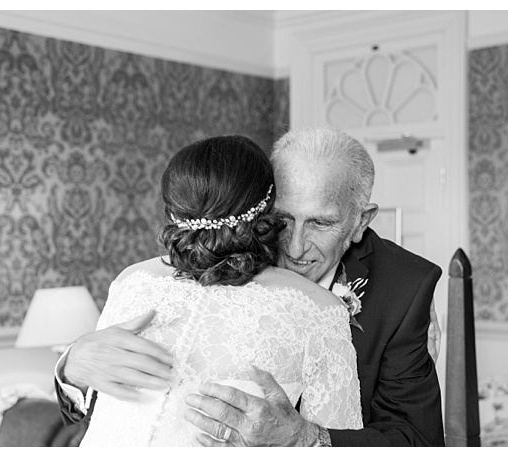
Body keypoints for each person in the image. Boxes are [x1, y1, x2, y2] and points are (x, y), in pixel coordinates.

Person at [56, 127, 444, 446]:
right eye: (282, 219)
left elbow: (419, 441)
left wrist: (307, 439)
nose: (293, 247)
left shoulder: (403, 289)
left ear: (360, 222)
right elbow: (123, 413)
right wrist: (71, 368)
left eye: (321, 223)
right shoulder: (186, 264)